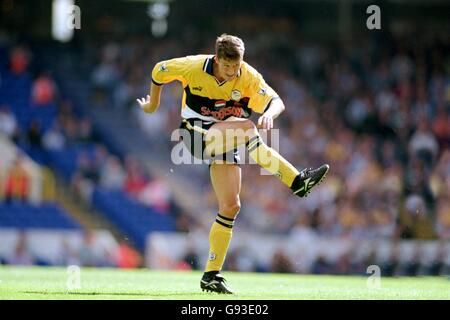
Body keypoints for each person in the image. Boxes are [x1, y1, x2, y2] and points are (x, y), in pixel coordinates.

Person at [137, 34, 329, 294]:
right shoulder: (193, 66)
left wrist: (270, 115)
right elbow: (159, 70)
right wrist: (153, 105)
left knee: (231, 206)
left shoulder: (247, 75)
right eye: (227, 67)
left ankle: (211, 275)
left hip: (226, 137)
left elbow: (276, 102)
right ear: (216, 59)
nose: (232, 73)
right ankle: (297, 182)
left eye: (236, 67)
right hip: (194, 134)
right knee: (248, 128)